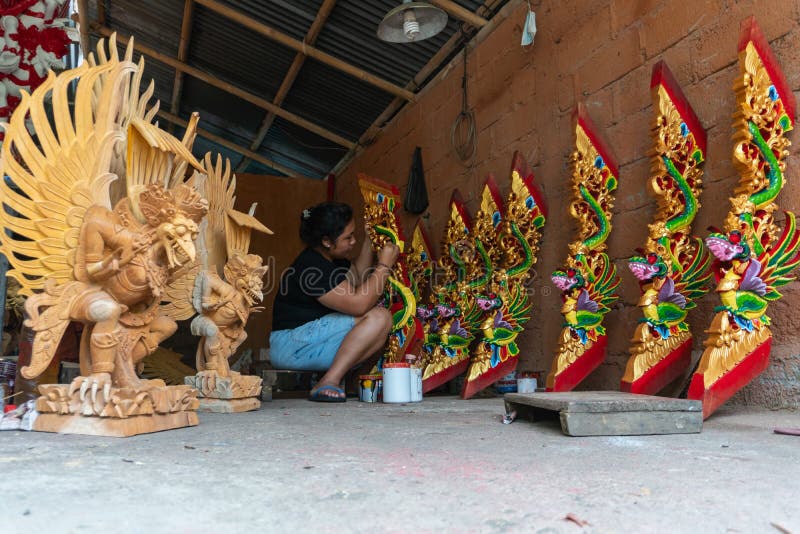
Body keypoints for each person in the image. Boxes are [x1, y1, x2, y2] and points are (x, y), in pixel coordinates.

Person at [270, 201, 400, 402]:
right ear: (327, 241)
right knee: (379, 317)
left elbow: (357, 277)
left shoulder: (329, 258)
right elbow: (358, 304)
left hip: (307, 339)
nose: (353, 241)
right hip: (291, 345)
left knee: (379, 324)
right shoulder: (310, 267)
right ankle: (329, 380)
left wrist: (368, 240)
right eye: (348, 237)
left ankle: (349, 381)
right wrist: (384, 266)